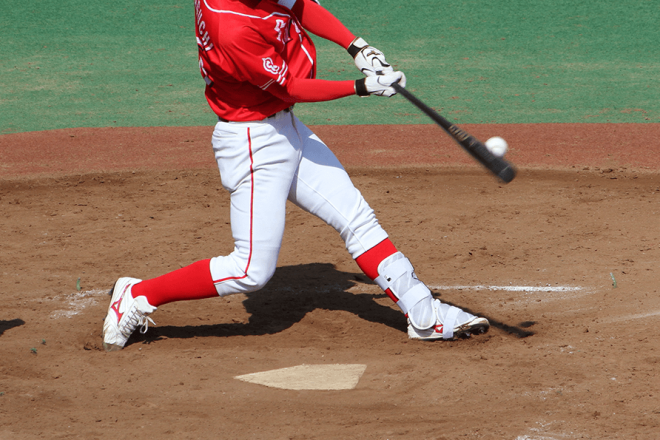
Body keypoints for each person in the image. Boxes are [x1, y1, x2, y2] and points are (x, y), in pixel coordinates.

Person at [102, 0, 490, 351]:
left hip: (286, 129)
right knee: (250, 271)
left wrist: (358, 48)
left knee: (356, 218)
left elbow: (298, 3)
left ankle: (424, 314)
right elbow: (290, 87)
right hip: (253, 143)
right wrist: (362, 87)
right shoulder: (231, 29)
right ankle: (137, 295)